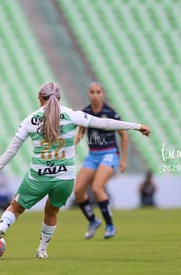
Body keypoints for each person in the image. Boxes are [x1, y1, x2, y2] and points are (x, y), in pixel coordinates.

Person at [0, 82, 150, 259]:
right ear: (59, 98)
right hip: (65, 178)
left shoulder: (30, 120)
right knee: (52, 212)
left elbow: (11, 150)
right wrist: (136, 126)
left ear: (39, 99)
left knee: (15, 207)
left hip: (38, 177)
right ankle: (42, 250)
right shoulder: (71, 114)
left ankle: (0, 230)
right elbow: (104, 123)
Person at [73, 82, 129, 239]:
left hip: (109, 153)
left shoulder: (109, 112)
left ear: (102, 94)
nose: (95, 95)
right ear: (88, 94)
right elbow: (80, 133)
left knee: (97, 188)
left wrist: (123, 160)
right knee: (78, 191)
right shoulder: (86, 112)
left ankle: (110, 225)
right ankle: (93, 221)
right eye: (92, 92)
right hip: (93, 155)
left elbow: (124, 135)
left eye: (98, 92)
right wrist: (72, 145)